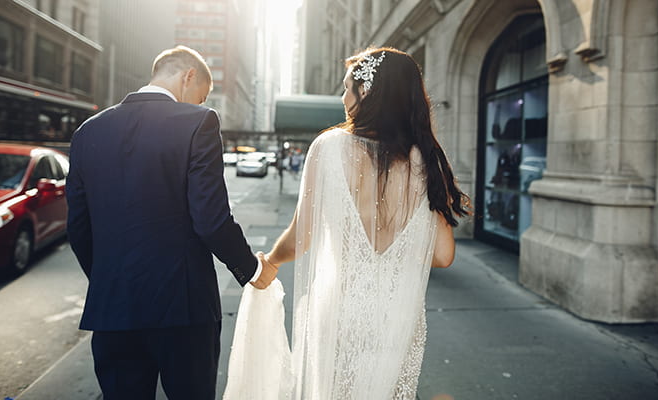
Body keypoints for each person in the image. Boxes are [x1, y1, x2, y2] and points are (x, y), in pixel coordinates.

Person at [224, 47, 470, 399]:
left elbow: (300, 237)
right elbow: (443, 255)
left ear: (366, 92)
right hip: (396, 320)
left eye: (346, 88)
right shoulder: (425, 160)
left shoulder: (329, 147)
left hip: (341, 312)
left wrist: (271, 263)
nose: (342, 98)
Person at [66, 45, 277, 400]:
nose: (199, 103)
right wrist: (253, 270)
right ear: (188, 76)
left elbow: (79, 228)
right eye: (201, 95)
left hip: (113, 310)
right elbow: (210, 220)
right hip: (184, 308)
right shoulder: (199, 122)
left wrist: (111, 280)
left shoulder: (87, 131)